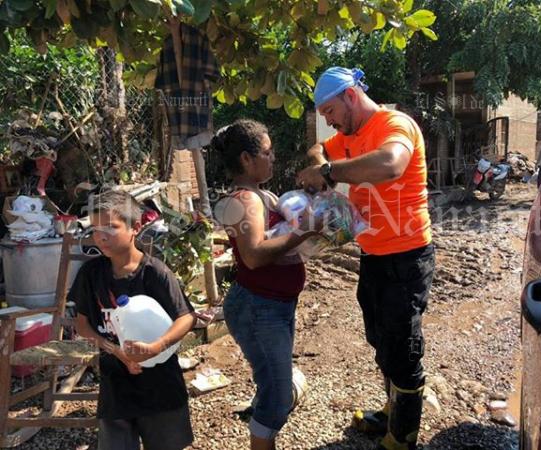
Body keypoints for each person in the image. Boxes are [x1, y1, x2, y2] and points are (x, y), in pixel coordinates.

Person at [296, 67, 435, 450]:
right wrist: (318, 160)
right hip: (373, 253)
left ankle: (402, 438)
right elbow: (320, 149)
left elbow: (390, 164)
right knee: (380, 338)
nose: (328, 120)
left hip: (407, 257)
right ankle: (391, 412)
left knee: (403, 346)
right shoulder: (347, 135)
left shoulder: (395, 125)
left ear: (351, 96)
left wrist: (328, 171)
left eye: (330, 111)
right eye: (323, 115)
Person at [213, 119, 321, 450]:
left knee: (273, 386)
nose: (273, 157)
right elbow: (254, 256)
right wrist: (304, 231)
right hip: (259, 308)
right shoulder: (245, 200)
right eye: (267, 152)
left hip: (272, 305)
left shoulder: (261, 195)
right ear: (246, 159)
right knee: (276, 396)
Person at [72, 190, 196, 450]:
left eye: (111, 227)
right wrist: (117, 352)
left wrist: (156, 347)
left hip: (161, 386)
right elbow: (83, 325)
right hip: (115, 386)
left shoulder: (155, 273)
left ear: (135, 228)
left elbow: (186, 317)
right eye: (95, 229)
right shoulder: (90, 274)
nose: (101, 236)